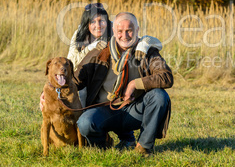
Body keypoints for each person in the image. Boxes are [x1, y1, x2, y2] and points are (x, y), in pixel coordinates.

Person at [74, 12, 173, 156]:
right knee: (85, 123)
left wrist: (135, 83)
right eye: (120, 31)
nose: (124, 35)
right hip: (106, 109)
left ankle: (143, 147)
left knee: (159, 96)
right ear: (113, 31)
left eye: (129, 30)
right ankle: (104, 146)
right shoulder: (99, 52)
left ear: (137, 31)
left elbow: (166, 77)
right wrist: (49, 92)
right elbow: (76, 79)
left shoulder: (148, 52)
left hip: (135, 109)